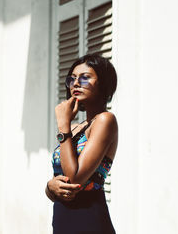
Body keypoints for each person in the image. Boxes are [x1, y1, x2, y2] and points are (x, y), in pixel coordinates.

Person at [45, 54, 118, 234]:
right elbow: (61, 178)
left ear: (103, 82)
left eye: (85, 77)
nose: (76, 83)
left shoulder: (105, 120)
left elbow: (75, 177)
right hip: (63, 219)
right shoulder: (76, 129)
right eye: (73, 78)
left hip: (88, 220)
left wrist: (63, 124)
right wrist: (50, 187)